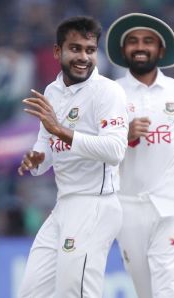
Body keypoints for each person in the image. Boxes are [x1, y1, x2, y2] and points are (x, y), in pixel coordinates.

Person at [17, 16, 128, 297]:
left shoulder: (108, 92)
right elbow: (46, 144)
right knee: (31, 292)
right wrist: (36, 160)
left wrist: (61, 130)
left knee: (75, 292)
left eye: (89, 50)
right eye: (75, 49)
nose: (83, 57)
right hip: (64, 204)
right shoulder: (52, 92)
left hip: (96, 204)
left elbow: (115, 151)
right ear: (58, 52)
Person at [105, 13, 174, 298]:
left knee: (171, 291)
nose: (141, 47)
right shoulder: (108, 94)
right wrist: (123, 135)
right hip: (127, 208)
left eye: (148, 41)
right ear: (123, 50)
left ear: (160, 50)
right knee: (146, 291)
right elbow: (93, 148)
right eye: (133, 42)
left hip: (171, 204)